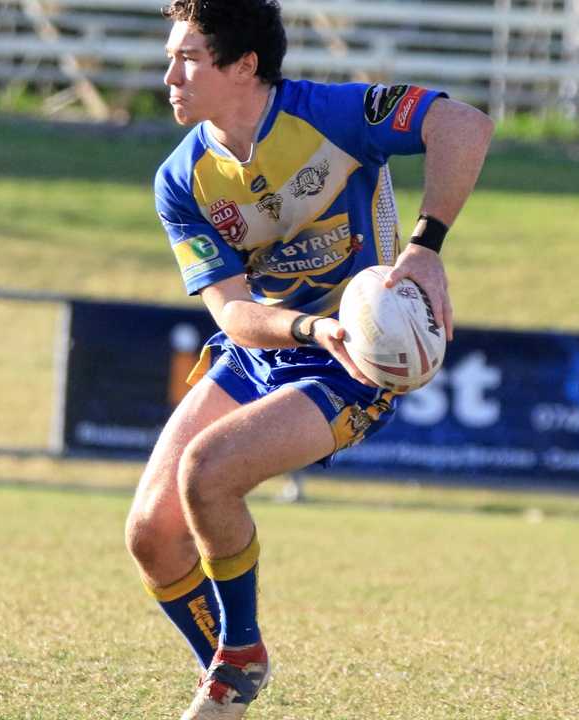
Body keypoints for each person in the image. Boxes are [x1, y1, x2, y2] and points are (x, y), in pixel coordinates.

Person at [123, 1, 493, 717]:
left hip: (356, 363)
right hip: (272, 342)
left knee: (209, 473)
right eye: (171, 56)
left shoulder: (332, 114)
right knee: (150, 535)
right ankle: (230, 675)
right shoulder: (182, 179)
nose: (170, 74)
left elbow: (464, 124)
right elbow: (232, 312)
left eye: (189, 57)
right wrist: (307, 328)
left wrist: (425, 248)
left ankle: (239, 659)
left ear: (244, 65)